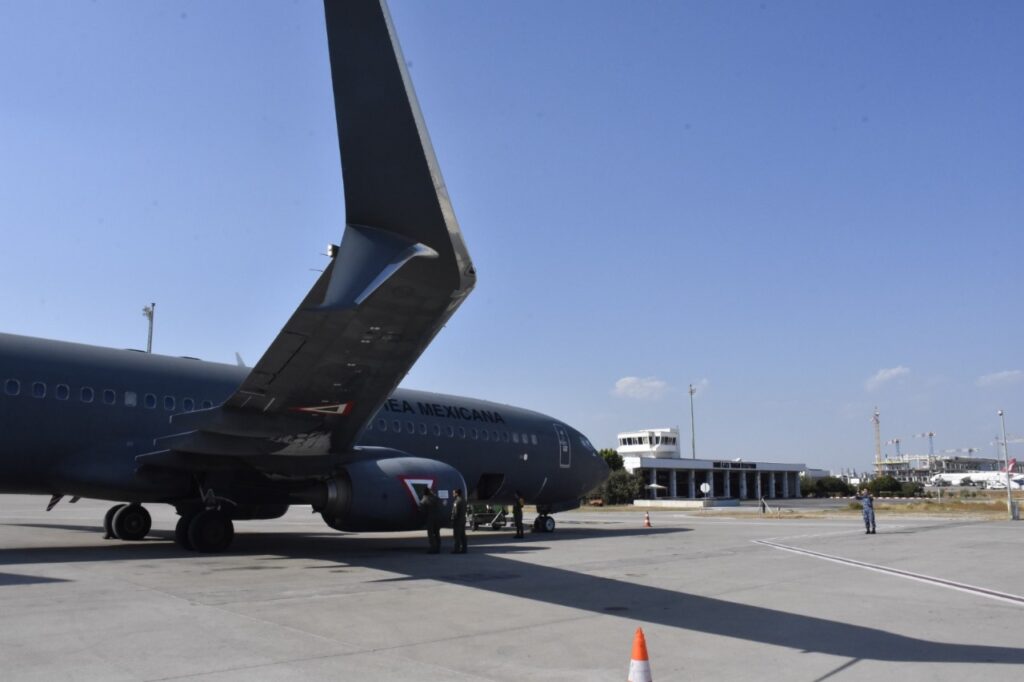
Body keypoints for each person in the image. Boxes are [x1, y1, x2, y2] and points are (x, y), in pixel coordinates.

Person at [419, 486, 441, 553]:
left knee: (431, 534)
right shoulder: (436, 498)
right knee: (437, 533)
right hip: (437, 518)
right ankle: (438, 547)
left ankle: (433, 548)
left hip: (430, 519)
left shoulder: (424, 500)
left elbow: (422, 511)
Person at [451, 488, 468, 553]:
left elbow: (455, 513)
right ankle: (464, 549)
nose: (453, 494)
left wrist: (452, 519)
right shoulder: (463, 500)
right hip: (463, 520)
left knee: (457, 536)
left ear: (457, 493)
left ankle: (456, 549)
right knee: (463, 535)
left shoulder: (457, 501)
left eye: (453, 493)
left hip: (457, 521)